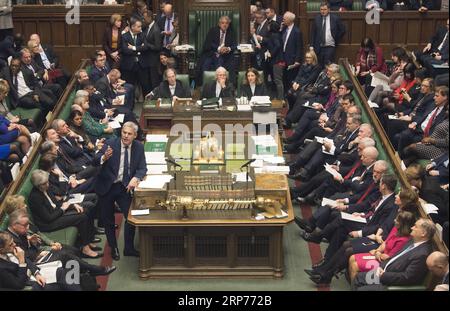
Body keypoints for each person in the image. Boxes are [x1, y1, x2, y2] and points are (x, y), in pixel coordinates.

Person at [95, 122, 147, 261]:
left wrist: (136, 178)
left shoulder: (139, 147)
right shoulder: (111, 143)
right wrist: (103, 157)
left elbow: (142, 168)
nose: (125, 136)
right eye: (124, 132)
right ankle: (114, 247)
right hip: (107, 186)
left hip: (124, 186)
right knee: (108, 220)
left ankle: (128, 248)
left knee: (130, 217)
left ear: (135, 135)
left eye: (129, 134)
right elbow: (96, 159)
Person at [28, 169, 101, 259]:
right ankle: (85, 248)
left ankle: (88, 240)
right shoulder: (35, 198)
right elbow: (48, 218)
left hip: (56, 213)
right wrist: (63, 209)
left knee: (84, 210)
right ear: (38, 185)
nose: (47, 184)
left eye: (47, 182)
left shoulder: (46, 187)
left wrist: (72, 205)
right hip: (47, 224)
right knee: (81, 217)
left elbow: (57, 204)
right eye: (44, 183)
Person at [352, 218, 435, 291]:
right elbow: (395, 257)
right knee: (358, 278)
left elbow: (407, 277)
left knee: (361, 289)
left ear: (423, 233)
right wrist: (381, 267)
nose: (412, 228)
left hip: (391, 284)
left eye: (416, 227)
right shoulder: (412, 241)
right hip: (385, 272)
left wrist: (384, 275)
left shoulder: (423, 254)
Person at [348, 211, 416, 281]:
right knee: (352, 258)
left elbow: (388, 258)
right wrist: (377, 250)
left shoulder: (403, 240)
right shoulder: (396, 229)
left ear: (403, 225)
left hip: (383, 264)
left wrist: (377, 253)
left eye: (397, 220)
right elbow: (385, 242)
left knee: (355, 266)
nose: (394, 220)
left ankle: (355, 286)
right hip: (379, 255)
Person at [198, 16, 237, 85]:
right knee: (205, 64)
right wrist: (219, 48)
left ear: (228, 24)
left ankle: (229, 86)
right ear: (219, 24)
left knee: (229, 63)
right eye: (222, 23)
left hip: (226, 55)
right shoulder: (213, 31)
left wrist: (228, 49)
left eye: (226, 23)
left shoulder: (231, 32)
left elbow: (234, 45)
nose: (224, 25)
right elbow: (208, 43)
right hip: (212, 53)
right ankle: (205, 85)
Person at [273, 11, 303, 99]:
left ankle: (290, 97)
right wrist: (280, 29)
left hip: (291, 59)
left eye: (284, 19)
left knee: (290, 78)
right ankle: (284, 97)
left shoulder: (297, 31)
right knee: (283, 78)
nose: (282, 20)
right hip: (282, 58)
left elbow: (299, 47)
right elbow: (279, 40)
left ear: (290, 20)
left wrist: (297, 60)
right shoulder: (284, 29)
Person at [120, 18, 151, 97]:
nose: (141, 28)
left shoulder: (142, 35)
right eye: (139, 27)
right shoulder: (124, 36)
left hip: (141, 65)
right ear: (133, 27)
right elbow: (125, 50)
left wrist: (134, 48)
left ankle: (146, 105)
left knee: (145, 86)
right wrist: (140, 49)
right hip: (129, 66)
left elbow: (146, 47)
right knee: (129, 87)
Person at [310, 2, 346, 66]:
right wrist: (311, 46)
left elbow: (343, 30)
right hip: (318, 47)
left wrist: (336, 38)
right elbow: (313, 33)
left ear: (329, 10)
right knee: (318, 66)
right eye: (321, 9)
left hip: (330, 47)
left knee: (328, 66)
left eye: (325, 9)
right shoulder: (317, 18)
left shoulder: (335, 18)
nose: (323, 11)